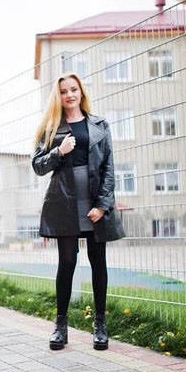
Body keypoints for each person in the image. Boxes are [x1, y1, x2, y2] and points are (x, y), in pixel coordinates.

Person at [32, 72, 125, 351]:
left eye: (74, 89)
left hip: (94, 203)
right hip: (64, 205)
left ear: (81, 92)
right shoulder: (50, 128)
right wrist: (59, 151)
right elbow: (38, 166)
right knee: (67, 264)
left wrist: (102, 205)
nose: (69, 95)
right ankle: (61, 326)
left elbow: (108, 167)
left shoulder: (99, 125)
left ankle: (100, 326)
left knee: (99, 264)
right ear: (58, 96)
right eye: (63, 91)